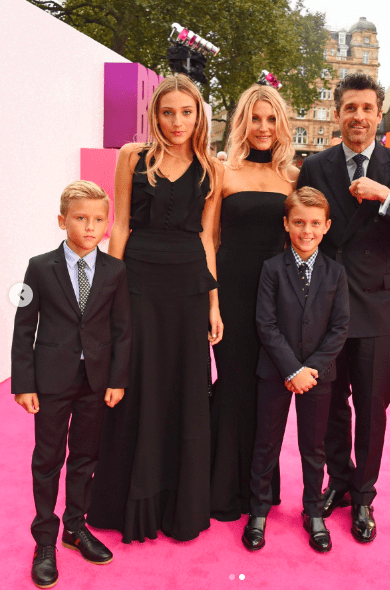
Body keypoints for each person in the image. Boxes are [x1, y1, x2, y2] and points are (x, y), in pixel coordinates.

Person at [297, 73, 390, 543]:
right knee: (332, 403)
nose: (358, 116)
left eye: (366, 108)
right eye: (349, 108)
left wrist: (386, 199)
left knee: (372, 405)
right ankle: (338, 481)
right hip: (324, 305)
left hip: (377, 306)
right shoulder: (316, 167)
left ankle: (364, 495)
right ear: (337, 113)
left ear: (378, 115)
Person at [87, 74, 223, 543]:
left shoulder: (211, 167)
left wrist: (214, 304)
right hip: (138, 281)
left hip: (187, 287)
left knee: (183, 387)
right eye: (169, 112)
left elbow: (208, 239)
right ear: (155, 114)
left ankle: (175, 504)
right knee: (137, 382)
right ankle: (125, 500)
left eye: (187, 112)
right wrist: (108, 289)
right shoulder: (133, 156)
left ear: (198, 115)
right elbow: (120, 225)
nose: (177, 121)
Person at [11, 181, 131, 588]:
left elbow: (122, 330)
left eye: (99, 219)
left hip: (95, 381)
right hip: (50, 381)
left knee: (85, 457)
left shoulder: (115, 269)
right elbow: (23, 327)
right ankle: (45, 539)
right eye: (81, 218)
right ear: (62, 220)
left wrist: (117, 379)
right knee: (47, 459)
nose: (90, 227)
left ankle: (74, 527)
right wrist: (23, 383)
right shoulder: (38, 267)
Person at [242, 188, 349, 553]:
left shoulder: (336, 273)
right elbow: (265, 324)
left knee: (313, 447)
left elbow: (339, 328)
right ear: (286, 224)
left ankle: (313, 511)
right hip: (275, 372)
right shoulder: (271, 268)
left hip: (318, 377)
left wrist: (311, 370)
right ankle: (258, 511)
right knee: (265, 443)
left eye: (315, 224)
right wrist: (291, 369)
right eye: (299, 222)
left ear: (327, 226)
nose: (307, 231)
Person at [210, 84, 299, 521]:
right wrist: (211, 301)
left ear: (280, 124)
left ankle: (260, 490)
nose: (263, 128)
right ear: (242, 122)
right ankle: (224, 492)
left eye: (270, 119)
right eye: (255, 118)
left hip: (276, 298)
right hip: (230, 292)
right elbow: (209, 239)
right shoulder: (223, 171)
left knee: (268, 391)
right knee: (232, 385)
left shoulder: (295, 178)